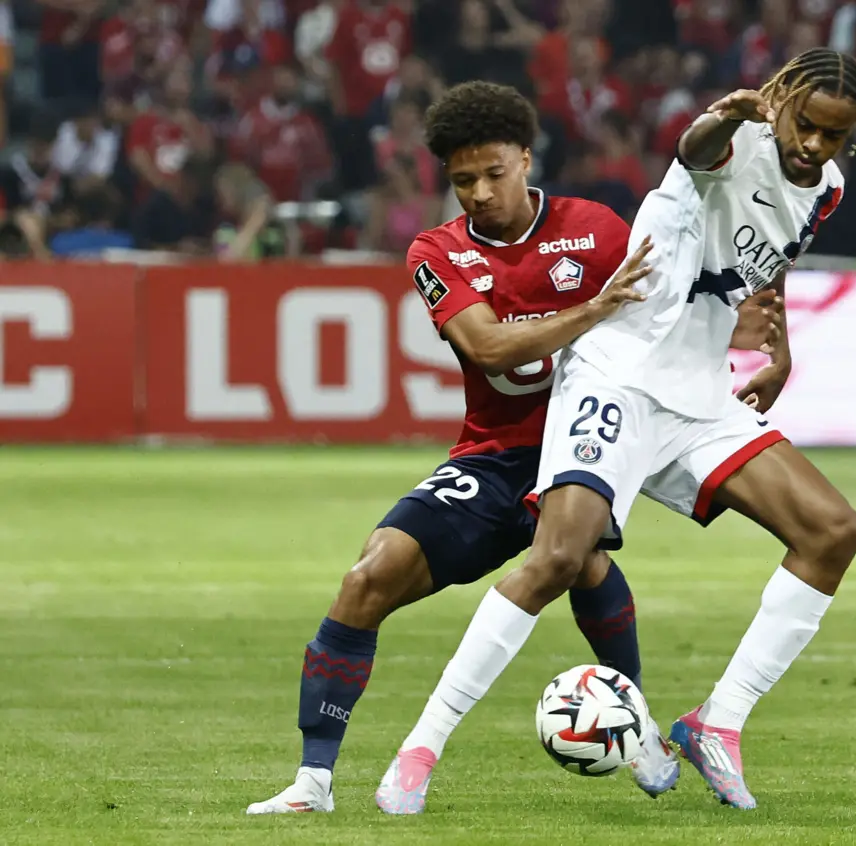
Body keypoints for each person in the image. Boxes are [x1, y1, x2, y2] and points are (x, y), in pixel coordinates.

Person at [247, 81, 782, 816]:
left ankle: (643, 729)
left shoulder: (595, 229)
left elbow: (676, 317)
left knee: (582, 558)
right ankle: (312, 782)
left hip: (588, 442)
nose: (478, 192)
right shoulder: (436, 252)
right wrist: (593, 308)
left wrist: (756, 363)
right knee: (367, 577)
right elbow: (489, 344)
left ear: (525, 159)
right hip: (492, 455)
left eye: (493, 173)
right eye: (463, 180)